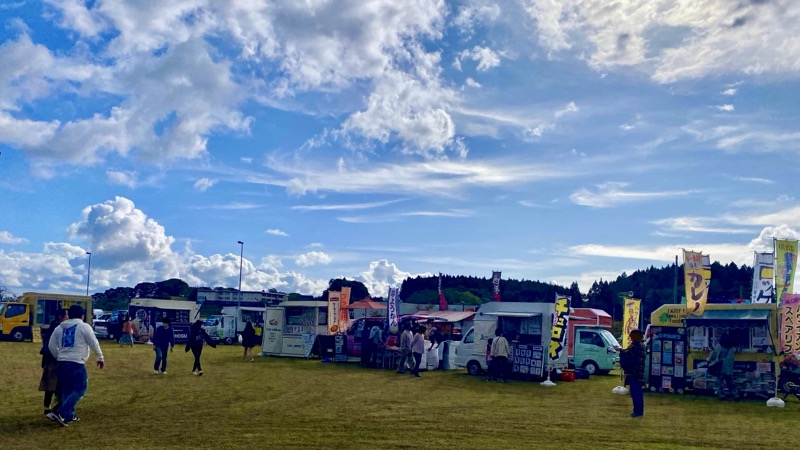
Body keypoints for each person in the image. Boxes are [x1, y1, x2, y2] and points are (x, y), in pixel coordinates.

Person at [46, 305, 104, 426]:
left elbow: (51, 345)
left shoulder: (59, 327)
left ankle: (69, 416)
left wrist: (59, 356)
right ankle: (62, 411)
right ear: (82, 315)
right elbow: (93, 342)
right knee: (80, 389)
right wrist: (100, 357)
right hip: (77, 362)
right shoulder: (84, 326)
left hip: (62, 363)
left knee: (67, 390)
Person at [39, 308, 67, 416]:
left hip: (49, 358)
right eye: (66, 315)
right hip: (54, 358)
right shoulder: (58, 327)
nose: (67, 317)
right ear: (60, 317)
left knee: (50, 383)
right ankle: (54, 408)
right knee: (54, 383)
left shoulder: (53, 325)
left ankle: (48, 406)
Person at [619, 329, 646, 417]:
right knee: (638, 393)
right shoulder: (642, 345)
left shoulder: (635, 345)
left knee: (635, 393)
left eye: (631, 335)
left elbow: (628, 355)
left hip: (634, 372)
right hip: (639, 372)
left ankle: (637, 412)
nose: (630, 337)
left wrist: (620, 351)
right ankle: (639, 411)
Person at [708, 333, 739, 401]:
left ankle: (722, 395)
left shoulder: (719, 346)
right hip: (729, 368)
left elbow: (713, 355)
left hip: (720, 367)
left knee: (720, 382)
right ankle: (735, 395)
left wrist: (709, 358)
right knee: (730, 382)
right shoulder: (731, 348)